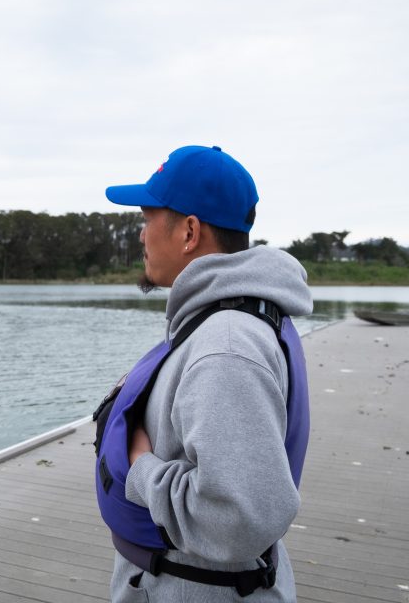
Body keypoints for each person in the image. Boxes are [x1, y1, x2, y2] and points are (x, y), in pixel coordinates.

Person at [95, 145, 313, 602]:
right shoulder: (228, 322)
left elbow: (239, 519)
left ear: (189, 231)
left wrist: (139, 467)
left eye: (148, 217)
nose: (141, 234)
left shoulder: (226, 346)